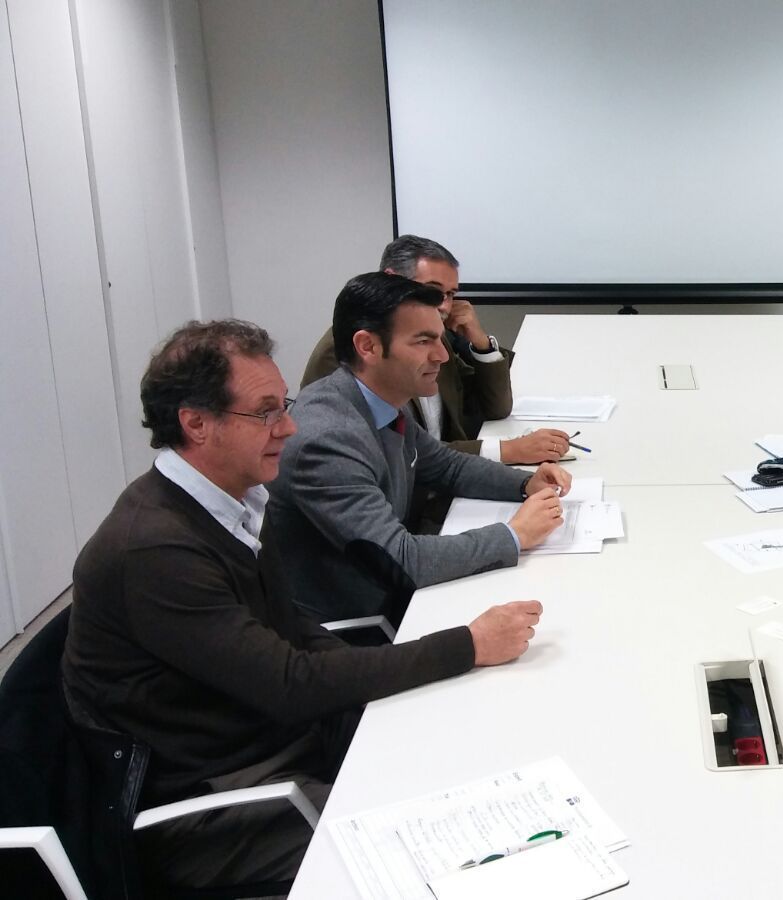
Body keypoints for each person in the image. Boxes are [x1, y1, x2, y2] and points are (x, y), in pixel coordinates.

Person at [62, 319, 547, 891]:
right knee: (458, 864)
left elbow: (298, 630)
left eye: (283, 404)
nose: (288, 426)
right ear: (195, 423)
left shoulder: (232, 503)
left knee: (472, 756)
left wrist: (430, 662)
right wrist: (465, 645)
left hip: (280, 741)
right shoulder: (155, 551)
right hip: (222, 804)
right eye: (265, 412)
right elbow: (289, 683)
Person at [268, 273, 571, 623]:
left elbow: (445, 465)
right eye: (423, 342)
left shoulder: (377, 400)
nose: (442, 356)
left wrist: (523, 484)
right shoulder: (327, 438)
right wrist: (514, 535)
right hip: (356, 629)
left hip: (396, 596)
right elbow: (402, 559)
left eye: (440, 340)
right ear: (367, 346)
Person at [302, 235, 570, 466]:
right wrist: (507, 450)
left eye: (451, 294)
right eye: (432, 291)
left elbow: (496, 408)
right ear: (391, 280)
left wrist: (480, 343)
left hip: (443, 478)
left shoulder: (435, 335)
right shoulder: (348, 350)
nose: (443, 306)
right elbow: (397, 454)